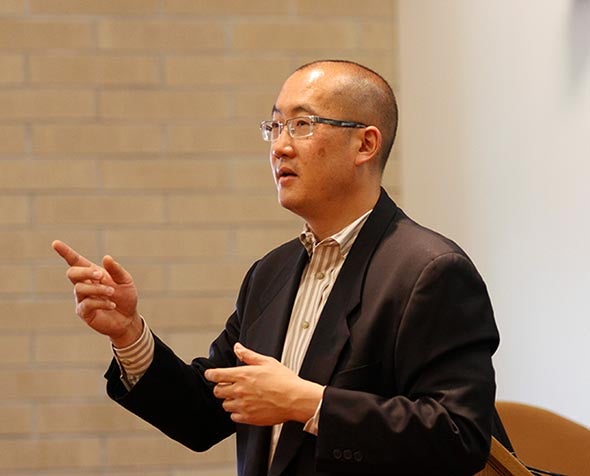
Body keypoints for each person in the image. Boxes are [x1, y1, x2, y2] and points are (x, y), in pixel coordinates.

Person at [53, 60, 509, 475]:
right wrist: (129, 334)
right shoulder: (269, 273)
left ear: (365, 144)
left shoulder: (429, 271)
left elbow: (460, 435)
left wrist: (307, 402)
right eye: (274, 126)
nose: (280, 147)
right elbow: (202, 416)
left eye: (302, 125)